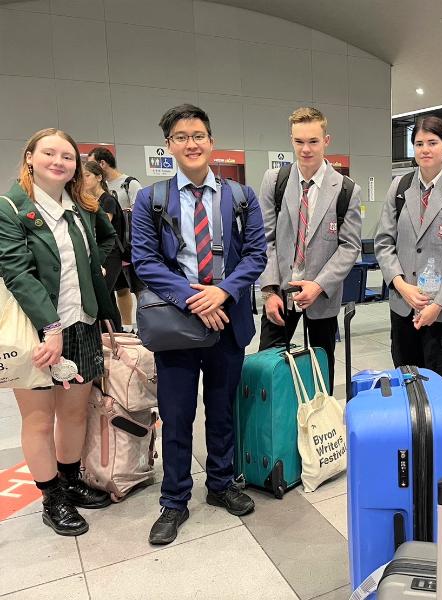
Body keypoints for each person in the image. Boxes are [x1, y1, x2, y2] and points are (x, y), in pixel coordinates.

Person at [131, 104, 267, 545]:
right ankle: (174, 501)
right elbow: (146, 262)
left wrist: (222, 292)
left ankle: (222, 484)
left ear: (211, 142)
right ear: (169, 145)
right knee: (176, 415)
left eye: (199, 135)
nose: (191, 143)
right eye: (181, 137)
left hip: (227, 319)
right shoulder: (150, 199)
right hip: (177, 322)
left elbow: (256, 256)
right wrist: (194, 298)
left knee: (223, 410)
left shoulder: (240, 197)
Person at [0, 128, 118, 536]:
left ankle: (69, 483)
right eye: (49, 153)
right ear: (30, 157)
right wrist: (50, 327)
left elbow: (108, 240)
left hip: (81, 324)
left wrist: (98, 282)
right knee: (38, 418)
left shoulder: (82, 205)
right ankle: (51, 497)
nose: (59, 161)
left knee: (73, 413)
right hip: (36, 331)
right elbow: (17, 272)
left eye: (67, 156)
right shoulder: (11, 208)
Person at [257, 107, 362, 392]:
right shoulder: (274, 181)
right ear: (291, 140)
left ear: (326, 140)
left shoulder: (346, 189)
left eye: (313, 141)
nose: (306, 149)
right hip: (280, 294)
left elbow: (349, 247)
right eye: (299, 141)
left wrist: (318, 285)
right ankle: (276, 427)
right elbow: (264, 240)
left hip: (322, 298)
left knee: (321, 373)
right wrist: (268, 291)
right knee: (269, 370)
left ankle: (319, 430)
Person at [375, 115, 442, 400]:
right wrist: (400, 285)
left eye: (432, 142)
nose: (425, 149)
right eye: (419, 143)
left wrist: (438, 305)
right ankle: (413, 442)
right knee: (406, 389)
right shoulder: (399, 188)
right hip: (404, 308)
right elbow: (384, 242)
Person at [87, 146, 143, 329]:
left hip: (125, 245)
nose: (83, 179)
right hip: (107, 250)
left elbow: (141, 211)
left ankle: (134, 327)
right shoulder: (94, 195)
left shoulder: (128, 184)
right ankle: (121, 329)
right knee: (115, 292)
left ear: (100, 168)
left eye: (88, 173)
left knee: (137, 289)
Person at [82, 160, 124, 331]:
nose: (83, 180)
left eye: (87, 175)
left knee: (103, 295)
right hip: (99, 253)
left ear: (99, 177)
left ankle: (113, 334)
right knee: (109, 297)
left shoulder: (107, 200)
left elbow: (100, 228)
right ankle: (116, 333)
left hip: (111, 254)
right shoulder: (90, 200)